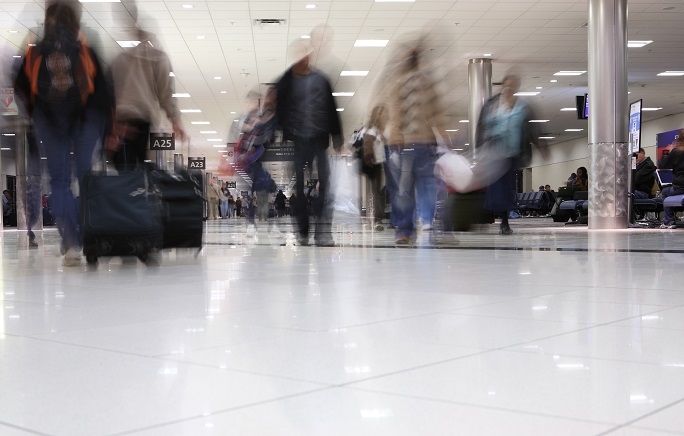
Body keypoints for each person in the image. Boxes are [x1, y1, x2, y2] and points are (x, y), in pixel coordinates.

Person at [14, 2, 113, 266]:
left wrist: (36, 114)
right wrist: (107, 132)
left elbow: (20, 83)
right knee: (86, 179)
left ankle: (70, 241)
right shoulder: (83, 42)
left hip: (49, 118)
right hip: (85, 119)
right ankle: (85, 234)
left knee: (58, 182)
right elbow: (103, 88)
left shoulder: (35, 43)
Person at [275, 40, 343, 246]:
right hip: (297, 140)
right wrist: (278, 133)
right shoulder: (285, 82)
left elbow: (331, 108)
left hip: (319, 139)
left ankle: (322, 230)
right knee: (298, 189)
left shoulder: (321, 79)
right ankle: (303, 230)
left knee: (325, 184)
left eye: (305, 54)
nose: (303, 58)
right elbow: (279, 110)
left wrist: (338, 137)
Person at [382, 37, 447, 244]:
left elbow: (435, 110)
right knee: (409, 189)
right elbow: (395, 111)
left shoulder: (424, 82)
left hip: (422, 142)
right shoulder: (400, 82)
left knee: (418, 187)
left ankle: (420, 224)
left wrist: (442, 132)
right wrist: (395, 134)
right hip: (407, 143)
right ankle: (406, 228)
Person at [105, 27, 186, 171]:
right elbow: (165, 92)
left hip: (120, 121)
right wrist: (175, 119)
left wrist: (110, 126)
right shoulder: (159, 58)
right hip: (143, 120)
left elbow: (107, 92)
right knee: (143, 170)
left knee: (124, 170)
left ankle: (127, 191)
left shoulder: (119, 60)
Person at [476, 72, 541, 235]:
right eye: (508, 84)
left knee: (507, 187)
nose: (510, 87)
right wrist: (479, 146)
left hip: (513, 153)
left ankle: (504, 221)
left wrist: (541, 145)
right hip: (495, 152)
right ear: (503, 85)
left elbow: (531, 128)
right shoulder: (492, 104)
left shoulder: (522, 106)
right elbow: (482, 125)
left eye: (513, 85)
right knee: (496, 186)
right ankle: (496, 218)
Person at [362, 104, 389, 231]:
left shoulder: (383, 130)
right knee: (375, 191)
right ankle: (376, 219)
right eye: (379, 113)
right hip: (374, 164)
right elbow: (367, 144)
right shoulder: (372, 130)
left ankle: (375, 218)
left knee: (380, 192)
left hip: (383, 163)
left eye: (383, 113)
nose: (381, 116)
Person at [659, 130, 684, 229]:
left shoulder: (676, 151)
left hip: (680, 186)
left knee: (665, 192)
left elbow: (663, 166)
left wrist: (668, 153)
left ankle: (669, 220)